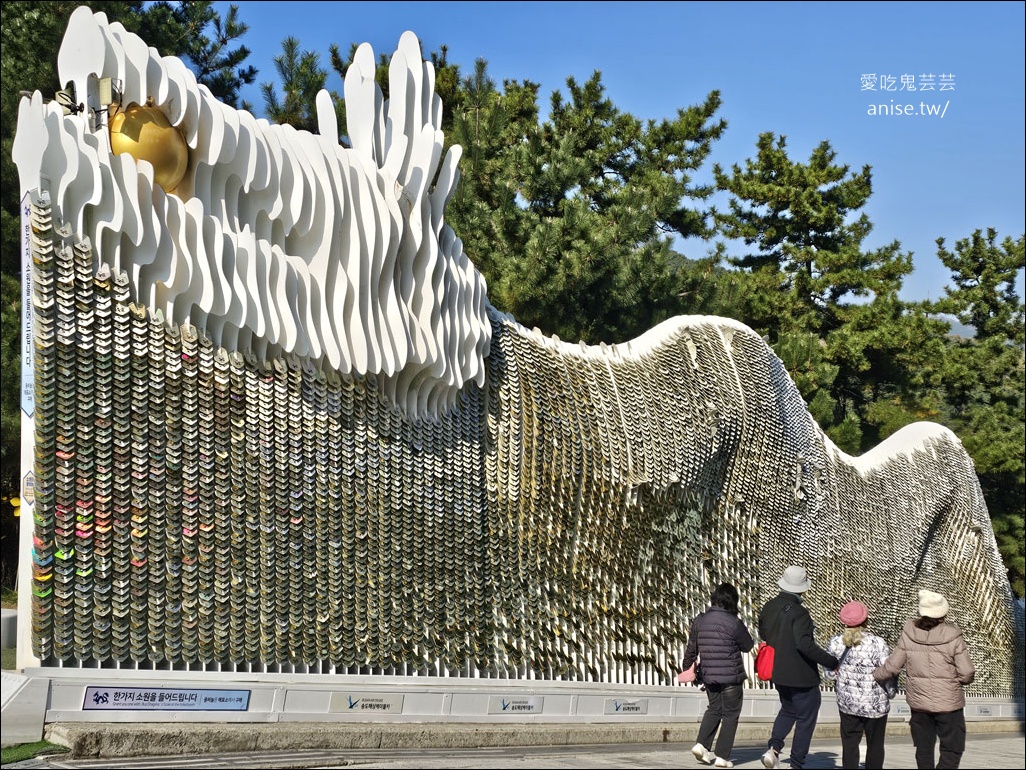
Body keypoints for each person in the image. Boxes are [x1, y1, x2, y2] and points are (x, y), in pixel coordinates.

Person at [874, 590, 975, 769]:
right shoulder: (953, 636)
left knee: (923, 748)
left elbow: (893, 666)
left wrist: (874, 675)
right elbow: (967, 672)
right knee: (952, 748)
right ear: (943, 613)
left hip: (919, 703)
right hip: (949, 704)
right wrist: (957, 681)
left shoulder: (909, 632)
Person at [757, 565, 839, 770]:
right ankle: (796, 763)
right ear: (802, 588)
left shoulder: (769, 606)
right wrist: (832, 661)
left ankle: (773, 749)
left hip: (778, 672)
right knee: (806, 718)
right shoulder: (800, 613)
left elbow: (764, 635)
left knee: (787, 710)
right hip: (801, 675)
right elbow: (804, 644)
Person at [681, 583, 755, 768]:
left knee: (714, 708)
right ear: (733, 601)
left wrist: (687, 669)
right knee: (730, 714)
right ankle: (722, 757)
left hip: (709, 675)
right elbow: (747, 646)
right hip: (731, 677)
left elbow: (692, 649)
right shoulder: (734, 622)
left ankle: (701, 745)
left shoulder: (700, 620)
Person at [825, 600, 897, 770]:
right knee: (875, 744)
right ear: (866, 620)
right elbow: (887, 671)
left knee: (849, 743)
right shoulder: (877, 643)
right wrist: (891, 692)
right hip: (875, 704)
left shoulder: (836, 642)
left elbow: (828, 672)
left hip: (847, 703)